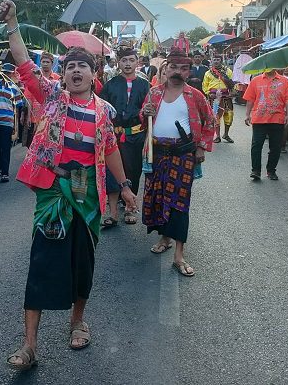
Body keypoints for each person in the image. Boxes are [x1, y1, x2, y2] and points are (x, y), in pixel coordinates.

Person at [0, 0, 137, 370]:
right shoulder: (51, 99)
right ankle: (29, 345)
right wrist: (13, 23)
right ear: (62, 74)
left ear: (94, 75)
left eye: (83, 67)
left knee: (82, 262)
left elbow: (109, 151)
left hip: (87, 193)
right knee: (41, 263)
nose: (76, 71)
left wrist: (123, 187)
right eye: (70, 66)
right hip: (53, 192)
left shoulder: (103, 112)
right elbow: (25, 65)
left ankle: (78, 321)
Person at [141, 49, 216, 277]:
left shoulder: (195, 96)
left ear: (188, 71)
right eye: (173, 67)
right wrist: (144, 112)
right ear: (166, 69)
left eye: (183, 69)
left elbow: (210, 122)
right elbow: (143, 120)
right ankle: (165, 238)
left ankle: (179, 255)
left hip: (183, 156)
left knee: (180, 204)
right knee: (158, 197)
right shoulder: (153, 93)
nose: (178, 72)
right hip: (157, 154)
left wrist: (201, 146)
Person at [100, 46, 151, 225]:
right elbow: (102, 108)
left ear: (138, 62)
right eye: (124, 60)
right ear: (118, 63)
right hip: (113, 136)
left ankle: (130, 207)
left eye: (131, 60)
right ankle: (113, 210)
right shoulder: (111, 84)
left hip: (136, 135)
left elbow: (150, 109)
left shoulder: (145, 85)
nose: (127, 64)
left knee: (134, 170)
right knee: (112, 171)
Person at [243, 68, 288, 181]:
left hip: (277, 118)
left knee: (275, 146)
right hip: (259, 119)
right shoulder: (256, 80)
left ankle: (271, 170)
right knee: (256, 145)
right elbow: (250, 100)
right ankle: (256, 171)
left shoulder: (284, 81)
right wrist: (247, 114)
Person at [0, 64, 23, 183]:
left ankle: (5, 172)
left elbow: (18, 107)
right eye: (4, 73)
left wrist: (17, 125)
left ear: (11, 74)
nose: (6, 75)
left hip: (7, 122)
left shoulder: (15, 88)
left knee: (5, 147)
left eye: (8, 73)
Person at [24, 52, 60, 147]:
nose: (45, 64)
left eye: (47, 62)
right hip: (35, 118)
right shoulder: (34, 77)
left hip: (51, 118)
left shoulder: (58, 79)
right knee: (32, 145)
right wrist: (28, 116)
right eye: (43, 61)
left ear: (52, 63)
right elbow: (29, 98)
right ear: (40, 62)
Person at [202, 56, 235, 143]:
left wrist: (232, 92)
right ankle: (218, 136)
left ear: (221, 61)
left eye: (218, 60)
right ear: (212, 61)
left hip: (227, 97)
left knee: (229, 116)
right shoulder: (208, 73)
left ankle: (226, 134)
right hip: (214, 98)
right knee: (216, 117)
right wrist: (209, 94)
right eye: (214, 60)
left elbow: (233, 82)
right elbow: (204, 86)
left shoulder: (228, 71)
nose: (216, 61)